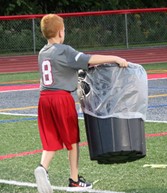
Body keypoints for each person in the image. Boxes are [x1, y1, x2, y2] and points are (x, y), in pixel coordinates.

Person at [34, 13, 128, 193]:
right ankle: (74, 180)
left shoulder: (42, 53)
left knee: (52, 139)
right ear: (61, 32)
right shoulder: (64, 50)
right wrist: (115, 58)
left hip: (44, 98)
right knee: (72, 140)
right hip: (61, 98)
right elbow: (88, 59)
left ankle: (42, 168)